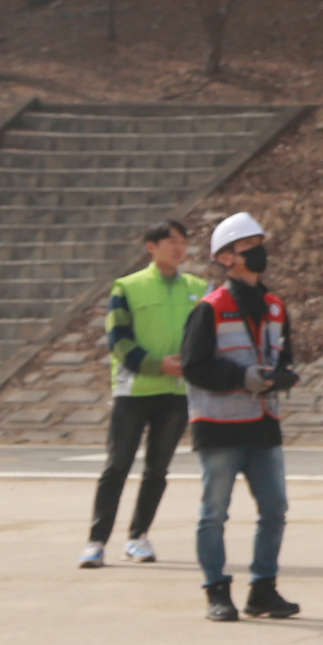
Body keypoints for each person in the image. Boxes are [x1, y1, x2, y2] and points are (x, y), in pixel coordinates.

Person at [180, 210, 298, 622]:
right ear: (226, 258)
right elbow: (193, 367)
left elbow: (284, 354)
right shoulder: (210, 309)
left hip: (264, 423)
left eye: (258, 245)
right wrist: (241, 377)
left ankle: (263, 589)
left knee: (275, 510)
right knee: (214, 513)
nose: (258, 252)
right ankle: (217, 592)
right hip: (219, 427)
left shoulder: (275, 306)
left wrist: (281, 376)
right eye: (249, 246)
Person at [84, 219, 200, 569]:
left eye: (183, 242)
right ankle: (96, 541)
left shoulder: (198, 288)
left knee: (157, 469)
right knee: (117, 466)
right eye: (171, 242)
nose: (179, 248)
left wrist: (190, 365)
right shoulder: (127, 287)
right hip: (135, 391)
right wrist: (156, 365)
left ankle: (138, 537)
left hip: (176, 391)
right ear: (151, 246)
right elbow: (118, 340)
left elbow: (205, 336)